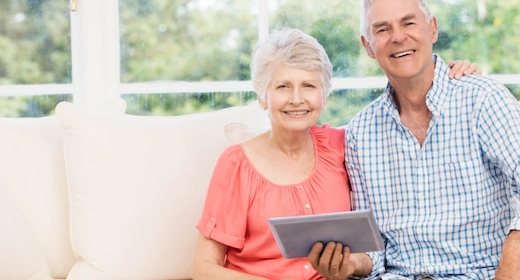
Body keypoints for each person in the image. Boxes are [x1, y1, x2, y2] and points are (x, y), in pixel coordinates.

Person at [308, 0, 520, 280]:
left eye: (408, 23)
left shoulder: (482, 98)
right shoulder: (360, 132)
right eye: (382, 29)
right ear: (368, 46)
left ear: (432, 29)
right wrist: (351, 264)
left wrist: (519, 248)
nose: (398, 37)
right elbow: (375, 249)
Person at [192, 27, 478, 280]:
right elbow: (204, 269)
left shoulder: (345, 145)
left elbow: (413, 141)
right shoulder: (237, 164)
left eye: (308, 86)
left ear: (324, 96)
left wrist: (451, 77)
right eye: (282, 86)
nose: (296, 98)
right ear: (262, 97)